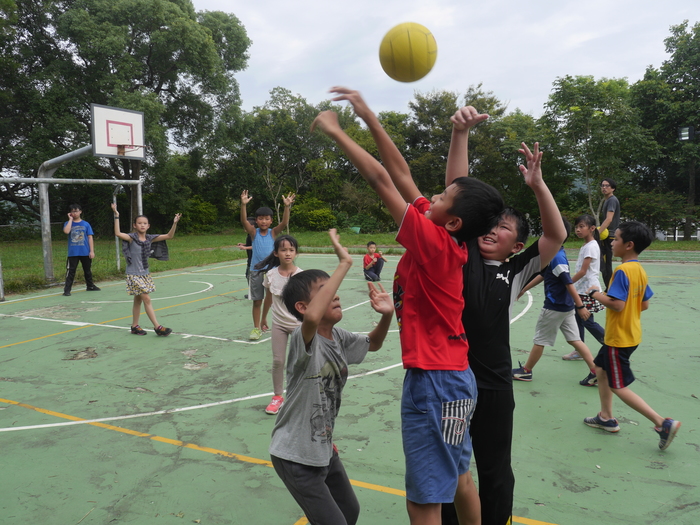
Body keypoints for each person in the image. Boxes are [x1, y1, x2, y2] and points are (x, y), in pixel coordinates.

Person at [312, 87, 504, 525]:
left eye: (441, 197)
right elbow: (400, 173)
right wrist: (367, 114)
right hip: (456, 380)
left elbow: (382, 180)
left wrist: (336, 131)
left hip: (434, 385)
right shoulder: (447, 235)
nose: (431, 197)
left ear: (452, 220)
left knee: (423, 501)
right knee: (458, 478)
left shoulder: (435, 242)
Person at [439, 106, 567, 525]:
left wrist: (538, 185)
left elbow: (555, 235)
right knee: (449, 469)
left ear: (516, 246)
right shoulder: (464, 255)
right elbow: (459, 189)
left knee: (494, 470)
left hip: (493, 386)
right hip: (451, 382)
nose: (494, 230)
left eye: (506, 229)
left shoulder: (515, 270)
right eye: (491, 225)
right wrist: (461, 133)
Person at [269, 229, 394, 525]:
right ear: (302, 307)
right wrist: (344, 263)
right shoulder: (304, 339)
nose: (335, 293)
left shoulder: (338, 336)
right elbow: (312, 318)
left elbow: (372, 344)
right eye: (325, 289)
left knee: (350, 511)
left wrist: (387, 316)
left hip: (322, 448)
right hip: (295, 455)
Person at [584, 221, 681, 450]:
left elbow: (617, 305)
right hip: (630, 334)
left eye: (615, 239)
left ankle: (662, 423)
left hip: (619, 338)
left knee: (618, 385)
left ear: (628, 245)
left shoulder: (622, 270)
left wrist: (596, 294)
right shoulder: (639, 270)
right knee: (600, 369)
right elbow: (644, 304)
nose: (612, 242)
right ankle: (606, 417)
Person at [511, 217, 598, 386]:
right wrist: (523, 289)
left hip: (555, 306)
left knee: (540, 340)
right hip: (565, 306)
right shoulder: (555, 253)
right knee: (575, 340)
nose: (544, 237)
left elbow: (568, 282)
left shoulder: (557, 257)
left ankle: (526, 371)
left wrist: (580, 305)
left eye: (547, 233)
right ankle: (596, 371)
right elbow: (543, 274)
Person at [111, 203, 181, 336]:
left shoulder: (150, 239)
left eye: (145, 223)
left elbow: (169, 236)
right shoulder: (132, 238)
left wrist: (174, 223)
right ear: (135, 225)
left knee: (138, 300)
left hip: (144, 274)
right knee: (147, 299)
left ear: (148, 226)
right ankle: (158, 327)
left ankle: (134, 326)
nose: (142, 225)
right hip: (133, 274)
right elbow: (117, 233)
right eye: (139, 223)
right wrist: (116, 215)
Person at [255, 235, 303, 415]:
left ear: (296, 252)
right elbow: (269, 297)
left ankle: (301, 395)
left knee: (301, 361)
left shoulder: (301, 275)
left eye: (291, 249)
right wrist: (263, 318)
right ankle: (277, 397)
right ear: (276, 253)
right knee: (278, 361)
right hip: (279, 325)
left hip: (299, 325)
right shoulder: (271, 275)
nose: (288, 253)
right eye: (283, 250)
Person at [240, 191, 295, 340]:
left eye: (267, 219)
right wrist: (243, 205)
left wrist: (286, 207)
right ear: (256, 221)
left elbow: (284, 222)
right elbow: (244, 221)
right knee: (257, 301)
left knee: (270, 298)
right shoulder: (253, 233)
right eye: (260, 219)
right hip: (256, 270)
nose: (264, 221)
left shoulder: (273, 233)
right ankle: (256, 328)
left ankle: (264, 319)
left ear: (271, 221)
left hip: (271, 270)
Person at [562, 213, 606, 370]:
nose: (578, 230)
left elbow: (583, 271)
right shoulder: (587, 246)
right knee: (578, 320)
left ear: (592, 228)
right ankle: (579, 350)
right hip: (581, 290)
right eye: (577, 227)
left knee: (587, 321)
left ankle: (611, 344)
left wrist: (567, 283)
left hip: (587, 291)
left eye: (582, 226)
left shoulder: (592, 246)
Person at [62, 203, 100, 296]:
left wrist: (91, 251)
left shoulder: (86, 224)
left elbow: (90, 237)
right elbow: (66, 231)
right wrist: (70, 219)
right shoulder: (68, 223)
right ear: (70, 213)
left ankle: (90, 286)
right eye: (72, 211)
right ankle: (67, 290)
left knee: (87, 270)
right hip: (73, 253)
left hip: (85, 251)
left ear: (80, 212)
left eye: (76, 211)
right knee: (71, 271)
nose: (74, 213)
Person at [599, 178, 620, 291]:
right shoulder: (607, 200)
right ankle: (609, 287)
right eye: (602, 185)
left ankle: (610, 289)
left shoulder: (612, 200)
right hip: (606, 235)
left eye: (607, 186)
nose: (604, 187)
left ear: (613, 188)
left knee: (606, 264)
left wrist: (597, 233)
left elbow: (609, 219)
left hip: (610, 235)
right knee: (601, 262)